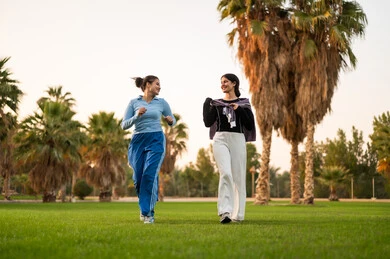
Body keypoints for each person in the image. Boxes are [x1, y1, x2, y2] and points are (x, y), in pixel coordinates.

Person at [121, 75, 176, 224]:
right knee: (138, 178)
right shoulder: (134, 103)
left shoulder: (162, 103)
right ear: (147, 85)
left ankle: (148, 213)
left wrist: (171, 121)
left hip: (156, 139)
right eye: (157, 84)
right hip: (138, 141)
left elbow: (172, 119)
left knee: (149, 175)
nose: (159, 87)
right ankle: (144, 207)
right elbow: (124, 125)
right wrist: (137, 116)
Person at [203, 73, 256, 224]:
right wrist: (206, 105)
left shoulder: (244, 103)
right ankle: (225, 212)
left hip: (237, 139)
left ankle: (237, 215)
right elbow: (208, 122)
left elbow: (249, 125)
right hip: (220, 139)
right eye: (221, 82)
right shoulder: (217, 103)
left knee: (238, 177)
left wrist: (238, 109)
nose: (223, 84)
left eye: (225, 82)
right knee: (225, 173)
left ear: (234, 83)